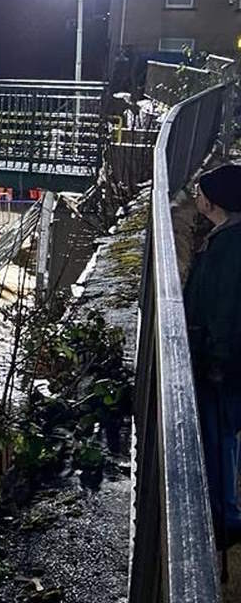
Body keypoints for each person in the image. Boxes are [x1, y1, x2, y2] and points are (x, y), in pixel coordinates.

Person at [184, 163, 241, 544]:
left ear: (213, 201)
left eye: (201, 191)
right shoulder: (226, 239)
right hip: (225, 359)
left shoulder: (228, 249)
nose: (196, 198)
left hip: (223, 363)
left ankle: (226, 519)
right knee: (225, 436)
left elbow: (224, 308)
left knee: (220, 437)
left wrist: (217, 358)